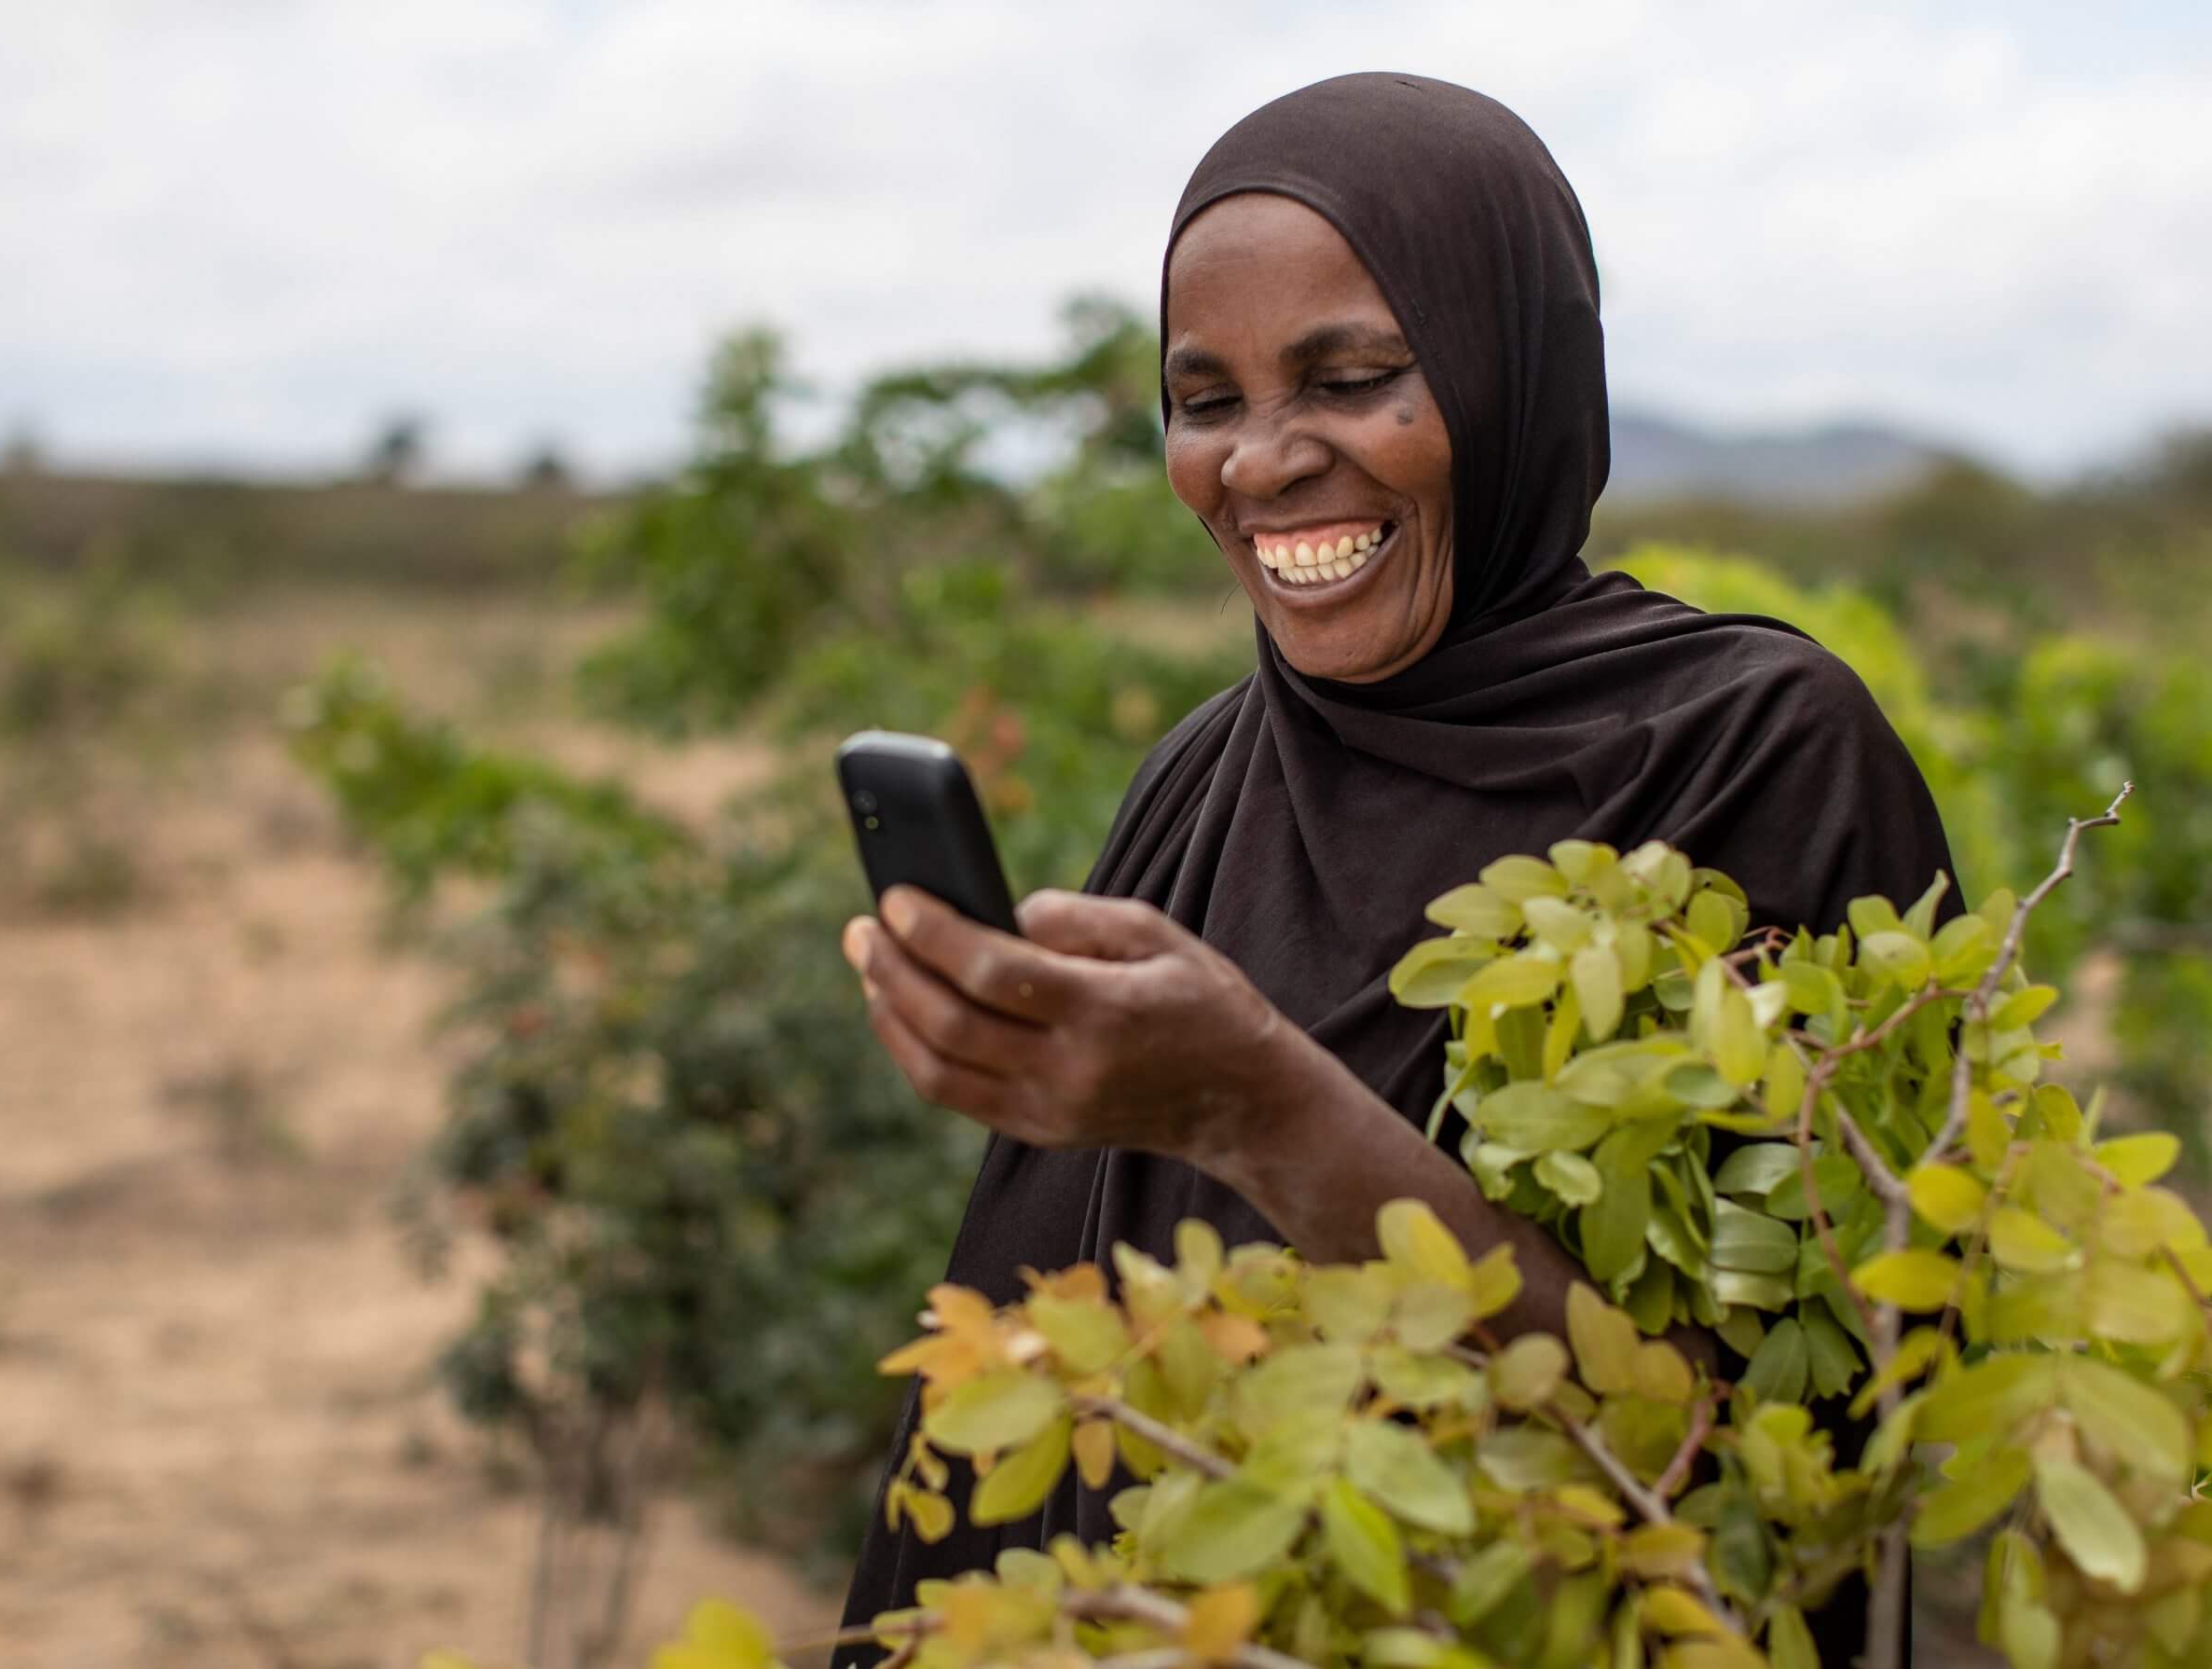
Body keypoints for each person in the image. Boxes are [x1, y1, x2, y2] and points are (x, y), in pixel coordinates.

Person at [834, 72, 1957, 1662]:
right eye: (1205, 401)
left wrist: (1256, 1108)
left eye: (1352, 379)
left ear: (1514, 370)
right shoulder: (1202, 777)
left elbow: (1761, 1483)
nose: (1260, 463)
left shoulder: (1753, 752)